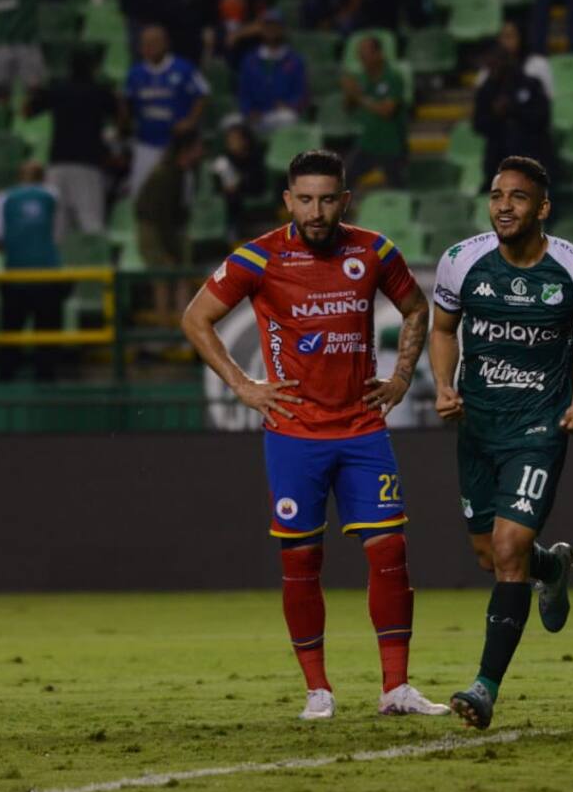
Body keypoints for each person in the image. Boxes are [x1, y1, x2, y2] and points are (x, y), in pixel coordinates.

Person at [182, 148, 449, 721]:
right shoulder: (259, 257)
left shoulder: (374, 250)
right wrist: (243, 386)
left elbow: (415, 308)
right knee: (302, 561)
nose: (317, 211)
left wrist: (402, 375)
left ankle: (395, 689)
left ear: (344, 200)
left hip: (361, 429)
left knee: (391, 552)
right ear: (288, 201)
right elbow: (194, 318)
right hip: (294, 433)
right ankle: (318, 691)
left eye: (328, 199)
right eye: (305, 199)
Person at [429, 155, 573, 730]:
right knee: (490, 555)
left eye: (519, 197)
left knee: (506, 551)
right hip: (477, 429)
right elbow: (441, 328)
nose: (504, 205)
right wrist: (441, 386)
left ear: (543, 208)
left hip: (538, 429)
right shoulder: (461, 262)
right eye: (497, 194)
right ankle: (550, 570)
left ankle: (484, 687)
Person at [25, 48, 120, 238]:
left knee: (56, 226)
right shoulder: (99, 91)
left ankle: (53, 267)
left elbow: (27, 111)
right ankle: (96, 265)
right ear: (94, 68)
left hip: (58, 164)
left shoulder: (58, 88)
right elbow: (122, 118)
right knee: (91, 222)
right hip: (88, 165)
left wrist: (35, 91)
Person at [0, 161, 66, 382]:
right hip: (48, 277)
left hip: (16, 277)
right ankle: (46, 382)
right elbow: (60, 234)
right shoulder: (53, 195)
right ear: (43, 177)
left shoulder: (4, 197)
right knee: (48, 337)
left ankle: (5, 381)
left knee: (11, 334)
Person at [123, 25, 209, 197]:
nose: (149, 47)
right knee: (140, 192)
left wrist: (191, 121)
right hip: (146, 142)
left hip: (176, 144)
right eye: (145, 43)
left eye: (154, 43)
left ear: (166, 44)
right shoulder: (135, 73)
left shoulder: (183, 68)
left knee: (180, 194)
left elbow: (203, 94)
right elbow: (126, 101)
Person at [135, 129, 202, 324]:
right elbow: (161, 217)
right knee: (162, 278)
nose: (201, 151)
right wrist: (169, 251)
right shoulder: (165, 175)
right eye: (197, 147)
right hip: (154, 229)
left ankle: (184, 327)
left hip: (173, 228)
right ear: (186, 150)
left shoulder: (186, 173)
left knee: (183, 274)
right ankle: (163, 328)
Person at [472, 44, 555, 194]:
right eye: (489, 65)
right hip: (499, 159)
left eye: (496, 63)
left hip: (532, 154)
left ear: (507, 62)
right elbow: (478, 124)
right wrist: (495, 115)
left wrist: (513, 109)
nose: (493, 68)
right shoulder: (486, 90)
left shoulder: (530, 84)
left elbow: (542, 117)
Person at [343, 36, 407, 189]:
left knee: (396, 188)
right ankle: (342, 212)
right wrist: (349, 93)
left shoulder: (393, 78)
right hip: (368, 142)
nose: (362, 59)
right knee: (343, 178)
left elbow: (387, 111)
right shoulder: (361, 78)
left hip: (391, 144)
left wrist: (359, 97)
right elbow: (348, 108)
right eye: (360, 55)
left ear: (378, 54)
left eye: (365, 54)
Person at [237, 8, 309, 133]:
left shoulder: (294, 61)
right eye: (267, 26)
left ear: (282, 29)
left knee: (287, 118)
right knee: (230, 123)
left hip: (282, 115)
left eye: (275, 25)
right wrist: (249, 111)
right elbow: (243, 92)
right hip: (256, 116)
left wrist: (289, 105)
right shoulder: (250, 60)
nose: (271, 30)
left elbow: (302, 93)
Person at [212, 122, 268, 238]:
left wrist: (239, 183)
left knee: (235, 195)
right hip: (230, 194)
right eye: (229, 139)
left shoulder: (254, 157)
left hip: (252, 189)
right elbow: (218, 182)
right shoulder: (224, 159)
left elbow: (257, 181)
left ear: (245, 141)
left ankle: (236, 230)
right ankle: (230, 230)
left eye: (235, 139)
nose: (231, 142)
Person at [474, 20, 554, 99]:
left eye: (509, 36)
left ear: (521, 37)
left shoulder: (539, 64)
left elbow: (549, 97)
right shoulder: (489, 68)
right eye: (501, 37)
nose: (504, 42)